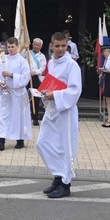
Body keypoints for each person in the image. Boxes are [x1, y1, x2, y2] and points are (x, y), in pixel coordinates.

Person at [37, 32, 82, 199]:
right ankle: (58, 174)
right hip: (52, 109)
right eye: (57, 46)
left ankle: (65, 183)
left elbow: (75, 90)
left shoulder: (72, 65)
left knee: (64, 147)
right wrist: (43, 93)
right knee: (43, 143)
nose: (61, 49)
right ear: (51, 46)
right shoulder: (51, 63)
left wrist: (54, 95)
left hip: (65, 110)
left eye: (63, 46)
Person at [0, 37, 32, 150]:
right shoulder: (4, 59)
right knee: (2, 116)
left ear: (17, 47)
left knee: (18, 117)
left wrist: (11, 75)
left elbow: (25, 78)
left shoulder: (22, 61)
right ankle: (0, 141)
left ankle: (20, 139)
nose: (10, 49)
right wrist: (1, 82)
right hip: (5, 92)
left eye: (13, 47)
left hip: (18, 94)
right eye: (9, 47)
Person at [26, 38, 47, 126]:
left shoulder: (42, 56)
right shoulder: (27, 53)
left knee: (36, 97)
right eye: (35, 44)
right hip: (26, 77)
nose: (36, 46)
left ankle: (35, 117)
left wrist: (34, 72)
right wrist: (25, 47)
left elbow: (42, 68)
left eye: (38, 45)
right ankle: (25, 117)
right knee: (25, 96)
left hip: (36, 77)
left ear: (41, 46)